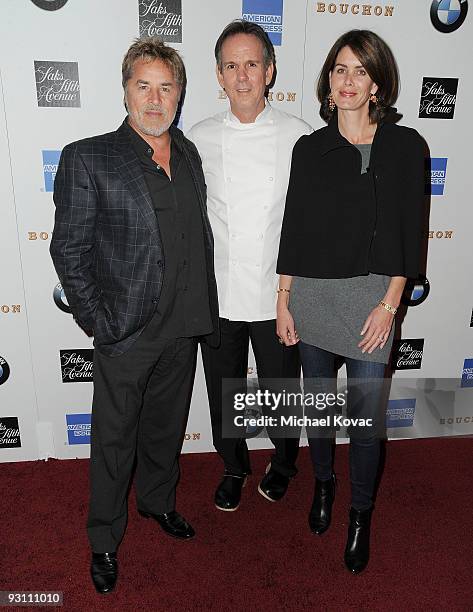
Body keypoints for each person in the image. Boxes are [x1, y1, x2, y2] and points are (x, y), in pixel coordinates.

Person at [50, 37, 219, 594]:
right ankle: (103, 538)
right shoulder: (89, 155)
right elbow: (68, 251)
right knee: (115, 440)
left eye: (166, 87)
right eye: (143, 85)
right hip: (127, 330)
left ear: (180, 93)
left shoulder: (189, 151)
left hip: (185, 324)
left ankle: (156, 503)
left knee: (165, 431)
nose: (154, 98)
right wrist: (99, 321)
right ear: (125, 89)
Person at [277, 29, 425, 573]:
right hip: (314, 298)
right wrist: (284, 297)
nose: (348, 81)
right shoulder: (309, 147)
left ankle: (360, 513)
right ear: (328, 79)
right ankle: (323, 485)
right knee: (318, 410)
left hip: (372, 302)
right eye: (340, 69)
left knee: (364, 421)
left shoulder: (407, 146)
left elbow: (412, 231)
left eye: (360, 70)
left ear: (379, 83)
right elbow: (294, 227)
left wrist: (389, 305)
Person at [187, 20, 312, 512]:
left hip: (279, 294)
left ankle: (283, 463)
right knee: (224, 392)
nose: (242, 75)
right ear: (219, 75)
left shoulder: (299, 136)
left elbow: (307, 224)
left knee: (283, 390)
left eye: (252, 64)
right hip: (218, 294)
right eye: (232, 66)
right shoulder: (194, 138)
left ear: (270, 71)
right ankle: (234, 465)